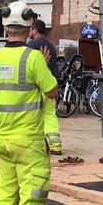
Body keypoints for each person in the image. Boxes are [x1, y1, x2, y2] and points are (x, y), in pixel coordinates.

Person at [0, 1, 61, 205]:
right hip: (30, 140)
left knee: (6, 196)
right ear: (30, 27)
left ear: (6, 27)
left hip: (3, 139)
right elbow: (52, 91)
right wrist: (42, 66)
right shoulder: (33, 58)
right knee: (31, 198)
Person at [27, 20, 61, 154]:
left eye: (30, 29)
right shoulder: (51, 46)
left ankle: (38, 145)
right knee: (50, 115)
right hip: (50, 85)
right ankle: (56, 145)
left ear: (34, 30)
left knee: (34, 117)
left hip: (36, 86)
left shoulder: (30, 45)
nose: (29, 32)